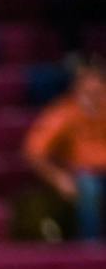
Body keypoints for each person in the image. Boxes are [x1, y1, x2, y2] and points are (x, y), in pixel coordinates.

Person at [23, 60, 106, 242]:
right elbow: (34, 151)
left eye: (99, 90)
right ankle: (90, 247)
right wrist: (59, 178)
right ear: (77, 88)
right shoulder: (63, 113)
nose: (95, 96)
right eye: (89, 91)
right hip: (81, 175)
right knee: (89, 187)